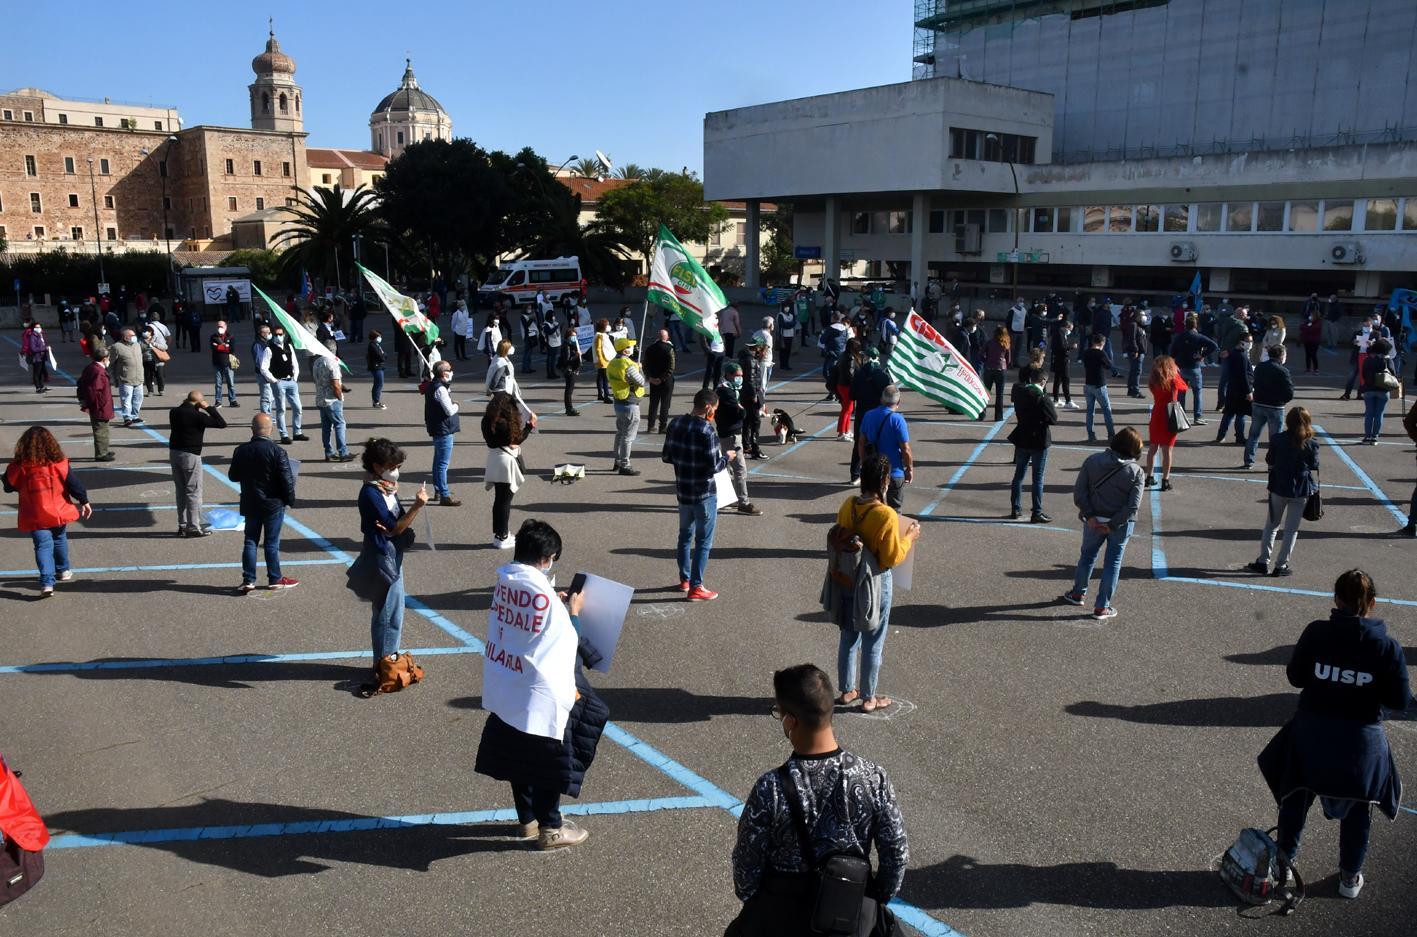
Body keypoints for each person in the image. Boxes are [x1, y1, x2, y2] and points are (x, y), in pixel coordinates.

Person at [1258, 569, 1410, 900]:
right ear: (1372, 603)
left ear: (1336, 600)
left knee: (1296, 794)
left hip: (1312, 733)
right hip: (1359, 741)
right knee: (1358, 804)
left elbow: (1296, 677)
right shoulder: (1386, 646)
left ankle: (1284, 861)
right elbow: (1400, 701)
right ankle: (1349, 876)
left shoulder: (1316, 633)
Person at [727, 663, 909, 933]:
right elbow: (896, 854)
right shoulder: (873, 777)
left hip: (782, 918)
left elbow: (746, 870)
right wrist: (869, 899)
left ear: (790, 721)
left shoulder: (771, 788)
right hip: (846, 916)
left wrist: (764, 906)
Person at [474, 519, 607, 851]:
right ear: (547, 558)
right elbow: (569, 638)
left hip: (507, 683)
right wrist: (572, 612)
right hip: (540, 689)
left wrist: (551, 599)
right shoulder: (544, 596)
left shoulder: (507, 581)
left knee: (517, 754)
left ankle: (527, 821)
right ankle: (552, 828)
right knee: (549, 759)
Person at [829, 454, 919, 712]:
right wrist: (909, 538)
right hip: (875, 582)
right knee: (873, 638)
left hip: (847, 577)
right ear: (886, 481)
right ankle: (869, 697)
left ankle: (847, 690)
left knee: (849, 634)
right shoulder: (885, 515)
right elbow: (891, 558)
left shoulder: (848, 505)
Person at [349, 437, 430, 696]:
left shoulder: (387, 489)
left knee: (395, 611)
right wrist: (417, 507)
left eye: (397, 466)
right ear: (376, 466)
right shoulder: (371, 493)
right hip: (381, 557)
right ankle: (384, 666)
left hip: (392, 553)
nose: (395, 471)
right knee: (386, 614)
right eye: (391, 466)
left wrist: (400, 528)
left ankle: (386, 658)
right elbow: (396, 526)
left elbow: (397, 526)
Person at [1061, 428, 1146, 620]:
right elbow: (1132, 506)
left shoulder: (1092, 461)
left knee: (1087, 556)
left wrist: (1090, 516)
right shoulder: (1136, 472)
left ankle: (1078, 593)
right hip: (1120, 525)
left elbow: (1080, 492)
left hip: (1094, 519)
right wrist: (1113, 524)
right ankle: (1102, 607)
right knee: (1112, 563)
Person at [3, 426, 93, 598]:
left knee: (42, 546)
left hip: (34, 513)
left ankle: (47, 583)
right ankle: (63, 570)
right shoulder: (59, 464)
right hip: (58, 510)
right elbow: (74, 484)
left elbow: (8, 486)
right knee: (59, 539)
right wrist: (84, 501)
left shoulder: (19, 467)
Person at [663, 389, 729, 601]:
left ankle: (685, 579)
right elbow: (714, 466)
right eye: (715, 409)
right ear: (709, 407)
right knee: (703, 541)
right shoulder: (707, 431)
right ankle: (696, 586)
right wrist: (728, 457)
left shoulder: (675, 424)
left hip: (683, 490)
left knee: (684, 536)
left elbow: (666, 456)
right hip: (704, 493)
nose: (715, 414)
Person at [227, 413, 299, 593]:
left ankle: (248, 579)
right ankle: (274, 577)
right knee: (271, 542)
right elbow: (287, 480)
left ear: (252, 429)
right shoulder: (277, 451)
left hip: (250, 501)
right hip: (273, 503)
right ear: (271, 430)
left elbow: (233, 476)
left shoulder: (241, 450)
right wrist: (290, 500)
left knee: (250, 540)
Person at [1245, 406, 1319, 577]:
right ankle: (1281, 565)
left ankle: (1263, 561)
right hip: (1301, 488)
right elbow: (1314, 465)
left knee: (1271, 525)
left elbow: (1270, 459)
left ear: (1288, 422)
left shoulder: (1278, 439)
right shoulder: (1311, 443)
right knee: (1291, 530)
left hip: (1279, 485)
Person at [167, 390, 227, 538]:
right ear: (199, 403)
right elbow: (221, 423)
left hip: (174, 453)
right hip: (191, 455)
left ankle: (182, 524)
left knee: (180, 491)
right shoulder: (198, 416)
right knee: (193, 491)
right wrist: (208, 407)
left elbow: (183, 408)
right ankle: (193, 526)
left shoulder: (174, 412)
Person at [1008, 366, 1058, 522]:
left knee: (1018, 476)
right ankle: (1036, 511)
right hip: (1038, 440)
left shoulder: (1019, 391)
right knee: (1037, 478)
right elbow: (1053, 418)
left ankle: (1015, 508)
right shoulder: (1040, 397)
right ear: (1043, 380)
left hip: (1022, 437)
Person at [713, 361, 762, 516]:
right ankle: (743, 502)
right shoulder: (726, 392)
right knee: (739, 468)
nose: (740, 378)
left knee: (727, 467)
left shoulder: (728, 389)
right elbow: (740, 413)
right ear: (728, 375)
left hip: (727, 431)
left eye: (741, 375)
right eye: (737, 376)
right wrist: (742, 410)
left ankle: (728, 498)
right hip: (731, 433)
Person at [857, 384, 913, 511]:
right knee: (895, 509)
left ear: (882, 399)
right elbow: (905, 449)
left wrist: (863, 461)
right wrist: (909, 469)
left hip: (873, 470)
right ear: (898, 401)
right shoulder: (898, 420)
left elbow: (861, 442)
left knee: (872, 505)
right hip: (894, 471)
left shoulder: (868, 415)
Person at [483, 392, 527, 549]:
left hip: (494, 459)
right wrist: (529, 427)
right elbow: (516, 439)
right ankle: (502, 536)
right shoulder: (503, 423)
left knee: (499, 500)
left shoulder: (487, 420)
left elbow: (504, 441)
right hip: (506, 462)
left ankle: (499, 534)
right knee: (504, 501)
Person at [1244, 344, 1295, 469]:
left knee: (1253, 434)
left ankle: (1248, 460)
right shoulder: (1283, 371)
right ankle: (1272, 463)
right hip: (1275, 407)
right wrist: (1282, 400)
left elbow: (1254, 382)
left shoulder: (1260, 367)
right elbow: (1289, 392)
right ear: (1281, 356)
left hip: (1259, 404)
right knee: (1275, 438)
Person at [848, 347, 892, 484]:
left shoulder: (859, 374)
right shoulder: (883, 375)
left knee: (859, 444)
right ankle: (875, 475)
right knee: (877, 445)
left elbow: (852, 395)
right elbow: (888, 397)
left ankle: (855, 475)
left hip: (862, 413)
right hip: (878, 415)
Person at [1144, 355, 1188, 491]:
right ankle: (1165, 480)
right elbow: (1185, 387)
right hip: (1169, 415)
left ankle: (1149, 477)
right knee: (1167, 450)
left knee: (1152, 448)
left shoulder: (1153, 381)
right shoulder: (1174, 381)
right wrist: (1176, 374)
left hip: (1157, 414)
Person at [423, 359, 462, 506]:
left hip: (438, 427)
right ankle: (444, 494)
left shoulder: (434, 386)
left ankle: (438, 490)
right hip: (443, 429)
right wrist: (456, 405)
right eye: (450, 370)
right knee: (442, 464)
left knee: (437, 462)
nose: (452, 372)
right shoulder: (440, 389)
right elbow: (449, 410)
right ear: (444, 373)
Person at [1169, 314, 1217, 425]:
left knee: (1181, 393)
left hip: (1181, 368)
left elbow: (1172, 352)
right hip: (1194, 367)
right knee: (1197, 392)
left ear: (1185, 325)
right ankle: (1198, 416)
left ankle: (1180, 416)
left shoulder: (1179, 336)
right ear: (1195, 325)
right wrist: (1202, 355)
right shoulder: (1198, 336)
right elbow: (1213, 345)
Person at [608, 337, 647, 476]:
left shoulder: (612, 363)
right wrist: (640, 368)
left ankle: (617, 461)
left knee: (620, 432)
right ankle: (625, 464)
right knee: (628, 436)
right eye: (629, 347)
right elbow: (641, 381)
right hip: (630, 403)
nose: (631, 349)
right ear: (624, 349)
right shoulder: (628, 364)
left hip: (618, 401)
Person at [77, 348, 116, 462]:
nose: (109, 360)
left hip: (99, 405)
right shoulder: (99, 371)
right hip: (100, 406)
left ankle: (104, 449)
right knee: (101, 429)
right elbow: (94, 390)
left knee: (103, 428)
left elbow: (81, 383)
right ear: (104, 359)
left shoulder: (91, 367)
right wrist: (99, 403)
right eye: (108, 358)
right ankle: (101, 454)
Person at [312, 353, 352, 463]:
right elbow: (335, 383)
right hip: (331, 399)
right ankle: (343, 452)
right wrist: (339, 397)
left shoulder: (317, 361)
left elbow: (316, 379)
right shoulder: (333, 362)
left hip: (320, 398)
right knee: (339, 424)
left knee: (326, 427)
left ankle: (328, 452)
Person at [1216, 334, 1254, 445]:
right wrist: (1248, 391)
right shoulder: (1242, 356)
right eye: (1248, 341)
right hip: (1241, 389)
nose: (1250, 344)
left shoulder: (1233, 353)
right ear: (1241, 341)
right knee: (1240, 414)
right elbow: (1243, 375)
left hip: (1232, 387)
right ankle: (1240, 437)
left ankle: (1221, 435)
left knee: (1229, 413)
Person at [1081, 333, 1116, 444]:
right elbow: (1108, 365)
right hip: (1099, 385)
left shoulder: (1086, 353)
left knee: (1090, 411)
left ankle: (1091, 434)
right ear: (1102, 343)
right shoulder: (1101, 353)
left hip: (1088, 384)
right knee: (1106, 410)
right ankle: (1111, 434)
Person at [1359, 339, 1395, 445]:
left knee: (1369, 413)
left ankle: (1367, 436)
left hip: (1369, 389)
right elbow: (1393, 373)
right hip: (1383, 389)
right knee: (1379, 414)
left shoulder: (1368, 359)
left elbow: (1364, 373)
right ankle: (1375, 437)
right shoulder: (1387, 360)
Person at [739, 338, 767, 460]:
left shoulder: (746, 358)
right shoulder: (750, 361)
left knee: (746, 422)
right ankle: (755, 449)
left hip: (745, 395)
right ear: (756, 348)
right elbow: (750, 380)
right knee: (755, 422)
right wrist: (754, 395)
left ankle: (746, 446)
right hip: (751, 396)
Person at [643, 329, 677, 434]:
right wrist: (662, 378)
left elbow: (645, 365)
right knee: (665, 404)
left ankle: (650, 425)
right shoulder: (669, 349)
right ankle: (662, 426)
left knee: (653, 403)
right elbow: (671, 367)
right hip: (666, 381)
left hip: (653, 380)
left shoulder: (650, 349)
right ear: (666, 338)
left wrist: (650, 377)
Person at [818, 311, 850, 403]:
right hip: (841, 354)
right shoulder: (844, 329)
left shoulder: (830, 329)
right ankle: (834, 392)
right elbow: (846, 340)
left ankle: (833, 392)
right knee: (837, 374)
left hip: (831, 354)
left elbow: (822, 340)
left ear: (833, 318)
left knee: (827, 373)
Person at [980, 326, 1010, 422]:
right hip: (1001, 369)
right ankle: (998, 416)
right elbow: (1009, 359)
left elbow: (981, 354)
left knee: (985, 393)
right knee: (999, 394)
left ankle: (982, 414)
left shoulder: (989, 342)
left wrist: (986, 361)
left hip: (989, 368)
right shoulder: (1006, 344)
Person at [834, 338, 862, 441]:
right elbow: (850, 374)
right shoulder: (850, 358)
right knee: (847, 409)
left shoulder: (844, 355)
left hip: (842, 385)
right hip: (847, 386)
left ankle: (846, 430)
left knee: (849, 409)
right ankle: (841, 433)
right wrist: (855, 385)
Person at [209, 320, 239, 408]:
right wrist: (225, 346)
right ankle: (218, 401)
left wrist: (219, 347)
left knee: (231, 383)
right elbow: (213, 348)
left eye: (221, 326)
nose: (219, 328)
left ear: (225, 327)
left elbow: (232, 349)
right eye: (218, 326)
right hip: (217, 363)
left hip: (228, 363)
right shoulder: (213, 337)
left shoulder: (231, 336)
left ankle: (233, 400)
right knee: (218, 384)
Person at [1049, 317, 1076, 409]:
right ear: (1066, 327)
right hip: (1062, 360)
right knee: (1065, 379)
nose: (1070, 331)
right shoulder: (1060, 334)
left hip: (1059, 359)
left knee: (1058, 379)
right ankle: (1068, 400)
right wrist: (1071, 347)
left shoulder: (1060, 333)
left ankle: (1056, 399)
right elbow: (1062, 347)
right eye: (1070, 329)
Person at [21, 324, 50, 393]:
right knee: (36, 373)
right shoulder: (32, 337)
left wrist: (45, 348)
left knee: (41, 372)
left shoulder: (39, 335)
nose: (39, 328)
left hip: (41, 357)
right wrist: (44, 348)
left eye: (39, 327)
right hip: (36, 357)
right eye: (37, 327)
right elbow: (33, 349)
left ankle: (41, 386)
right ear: (34, 328)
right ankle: (38, 388)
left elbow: (42, 344)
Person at [593, 318, 615, 402]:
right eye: (607, 325)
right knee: (605, 378)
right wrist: (601, 360)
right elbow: (598, 349)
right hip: (603, 360)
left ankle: (600, 394)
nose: (609, 326)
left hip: (604, 360)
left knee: (600, 377)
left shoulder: (602, 335)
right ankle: (606, 395)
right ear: (603, 327)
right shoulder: (600, 336)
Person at [366, 330, 387, 410]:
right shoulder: (372, 345)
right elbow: (380, 356)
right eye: (379, 337)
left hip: (379, 366)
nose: (380, 338)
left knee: (378, 383)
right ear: (375, 337)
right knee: (379, 384)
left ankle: (376, 401)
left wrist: (383, 356)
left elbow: (384, 354)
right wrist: (383, 356)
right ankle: (376, 402)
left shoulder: (376, 344)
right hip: (376, 366)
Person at [542, 307, 563, 379]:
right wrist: (556, 327)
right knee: (550, 359)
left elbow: (558, 333)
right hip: (550, 344)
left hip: (556, 343)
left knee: (554, 360)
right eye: (553, 315)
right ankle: (549, 374)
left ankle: (553, 373)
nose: (554, 317)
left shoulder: (554, 323)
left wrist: (560, 327)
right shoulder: (546, 324)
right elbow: (549, 332)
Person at [775, 303, 796, 371]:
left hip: (790, 335)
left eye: (788, 307)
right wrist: (790, 324)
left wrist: (789, 324)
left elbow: (794, 323)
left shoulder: (791, 315)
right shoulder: (780, 315)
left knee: (788, 351)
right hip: (783, 336)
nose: (787, 308)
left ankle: (786, 364)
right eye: (785, 307)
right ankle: (782, 365)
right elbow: (783, 325)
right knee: (783, 351)